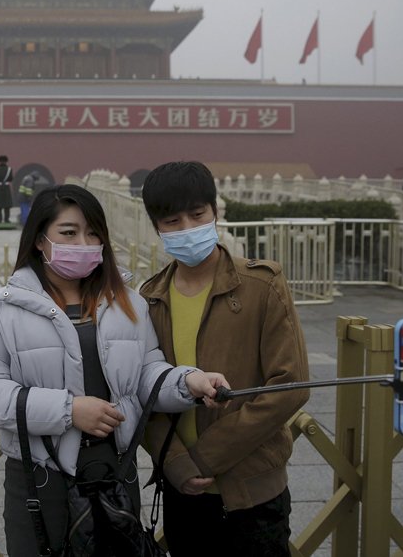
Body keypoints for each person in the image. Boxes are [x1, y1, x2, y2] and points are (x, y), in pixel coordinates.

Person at [0, 184, 228, 556]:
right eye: (68, 233)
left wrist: (187, 381)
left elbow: (146, 373)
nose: (83, 243)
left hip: (115, 473)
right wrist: (68, 411)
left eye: (93, 233)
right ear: (40, 239)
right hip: (41, 482)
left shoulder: (126, 303)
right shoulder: (3, 310)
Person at [139, 161, 310, 557]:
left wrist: (203, 458)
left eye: (196, 215)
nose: (186, 229)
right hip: (183, 491)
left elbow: (290, 385)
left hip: (253, 492)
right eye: (172, 221)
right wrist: (175, 462)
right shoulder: (150, 299)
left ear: (215, 211)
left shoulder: (261, 286)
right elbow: (140, 388)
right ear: (157, 227)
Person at [0, 155, 14, 224]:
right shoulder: (9, 169)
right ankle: (7, 219)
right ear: (6, 161)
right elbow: (11, 179)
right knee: (7, 205)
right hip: (6, 188)